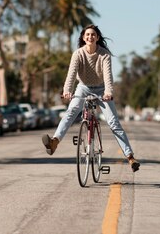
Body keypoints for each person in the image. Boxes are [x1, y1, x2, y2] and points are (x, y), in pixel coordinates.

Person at [41, 24, 140, 172]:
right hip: (83, 87)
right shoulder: (78, 54)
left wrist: (108, 92)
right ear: (83, 37)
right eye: (87, 34)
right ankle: (55, 142)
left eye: (93, 34)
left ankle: (130, 157)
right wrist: (67, 90)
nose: (90, 37)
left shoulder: (104, 54)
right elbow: (71, 74)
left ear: (97, 37)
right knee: (72, 110)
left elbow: (108, 76)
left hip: (101, 89)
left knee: (113, 122)